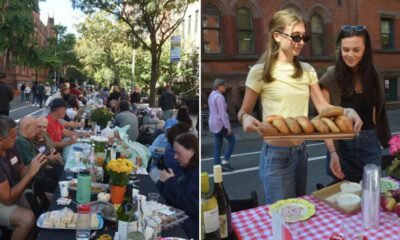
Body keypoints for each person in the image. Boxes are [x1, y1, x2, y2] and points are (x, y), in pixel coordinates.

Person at [236, 9, 362, 204]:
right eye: (296, 37)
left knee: (300, 210)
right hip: (276, 156)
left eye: (305, 37)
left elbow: (323, 108)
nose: (301, 42)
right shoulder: (259, 72)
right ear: (276, 36)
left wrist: (347, 112)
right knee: (283, 215)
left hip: (302, 152)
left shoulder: (307, 70)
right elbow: (243, 111)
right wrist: (245, 118)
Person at [319, 25, 391, 183]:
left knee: (372, 192)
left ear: (366, 50)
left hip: (370, 143)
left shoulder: (374, 73)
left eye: (356, 50)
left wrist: (385, 140)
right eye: (345, 49)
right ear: (340, 49)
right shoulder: (331, 76)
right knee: (343, 195)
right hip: (343, 146)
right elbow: (324, 119)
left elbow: (379, 111)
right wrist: (332, 152)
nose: (350, 55)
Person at [0, 116, 47, 240]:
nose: (16, 139)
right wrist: (31, 173)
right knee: (27, 218)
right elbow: (8, 199)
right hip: (4, 199)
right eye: (12, 137)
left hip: (12, 192)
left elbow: (21, 170)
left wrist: (34, 164)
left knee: (45, 199)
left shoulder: (11, 147)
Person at [158, 133, 199, 239]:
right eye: (174, 152)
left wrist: (170, 181)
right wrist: (164, 181)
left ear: (192, 151)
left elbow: (190, 205)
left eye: (178, 153)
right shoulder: (182, 167)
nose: (175, 157)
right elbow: (163, 193)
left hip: (188, 226)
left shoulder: (196, 174)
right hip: (172, 217)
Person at [208, 78, 236, 172]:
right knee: (232, 140)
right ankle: (225, 162)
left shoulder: (211, 95)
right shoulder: (219, 97)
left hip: (213, 124)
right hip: (220, 124)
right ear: (219, 86)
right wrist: (228, 127)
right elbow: (222, 114)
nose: (226, 87)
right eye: (224, 86)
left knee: (218, 146)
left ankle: (217, 166)